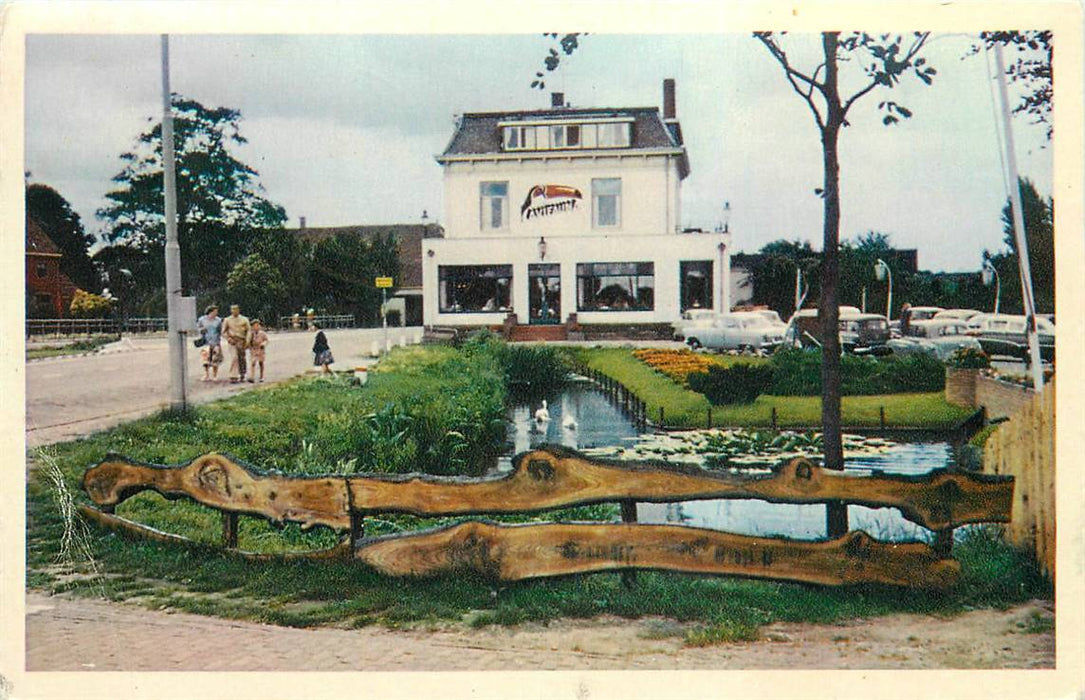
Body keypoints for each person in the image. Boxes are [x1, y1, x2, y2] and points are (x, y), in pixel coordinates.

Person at [221, 304, 252, 383]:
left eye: (235, 309)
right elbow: (223, 331)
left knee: (242, 358)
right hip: (232, 341)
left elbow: (249, 330)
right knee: (234, 357)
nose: (234, 311)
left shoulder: (244, 319)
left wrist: (248, 340)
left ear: (238, 310)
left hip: (241, 340)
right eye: (232, 309)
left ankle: (242, 374)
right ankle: (233, 375)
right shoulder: (227, 320)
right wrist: (228, 338)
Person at [195, 305, 223, 381]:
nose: (216, 313)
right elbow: (197, 328)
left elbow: (220, 330)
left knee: (215, 359)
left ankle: (215, 375)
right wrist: (201, 330)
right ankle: (206, 374)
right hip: (205, 341)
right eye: (215, 311)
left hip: (215, 341)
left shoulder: (218, 320)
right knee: (205, 360)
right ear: (210, 312)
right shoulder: (202, 319)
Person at [248, 318, 269, 383]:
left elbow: (266, 340)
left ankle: (261, 376)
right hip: (253, 350)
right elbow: (248, 341)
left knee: (261, 363)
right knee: (253, 362)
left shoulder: (262, 333)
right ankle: (252, 376)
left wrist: (263, 344)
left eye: (257, 325)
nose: (256, 327)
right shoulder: (251, 334)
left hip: (261, 350)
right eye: (254, 326)